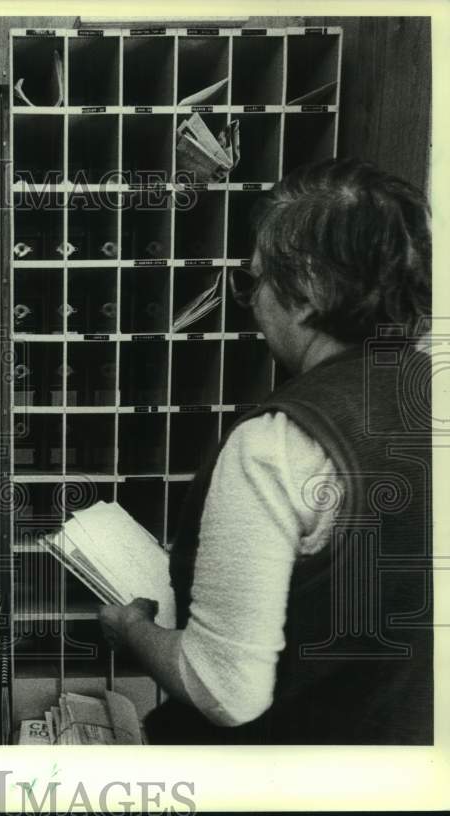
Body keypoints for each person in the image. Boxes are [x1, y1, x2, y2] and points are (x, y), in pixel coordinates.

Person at [100, 158, 432, 744]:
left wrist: (132, 629)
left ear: (305, 292)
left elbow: (224, 689)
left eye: (256, 281)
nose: (252, 304)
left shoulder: (278, 443)